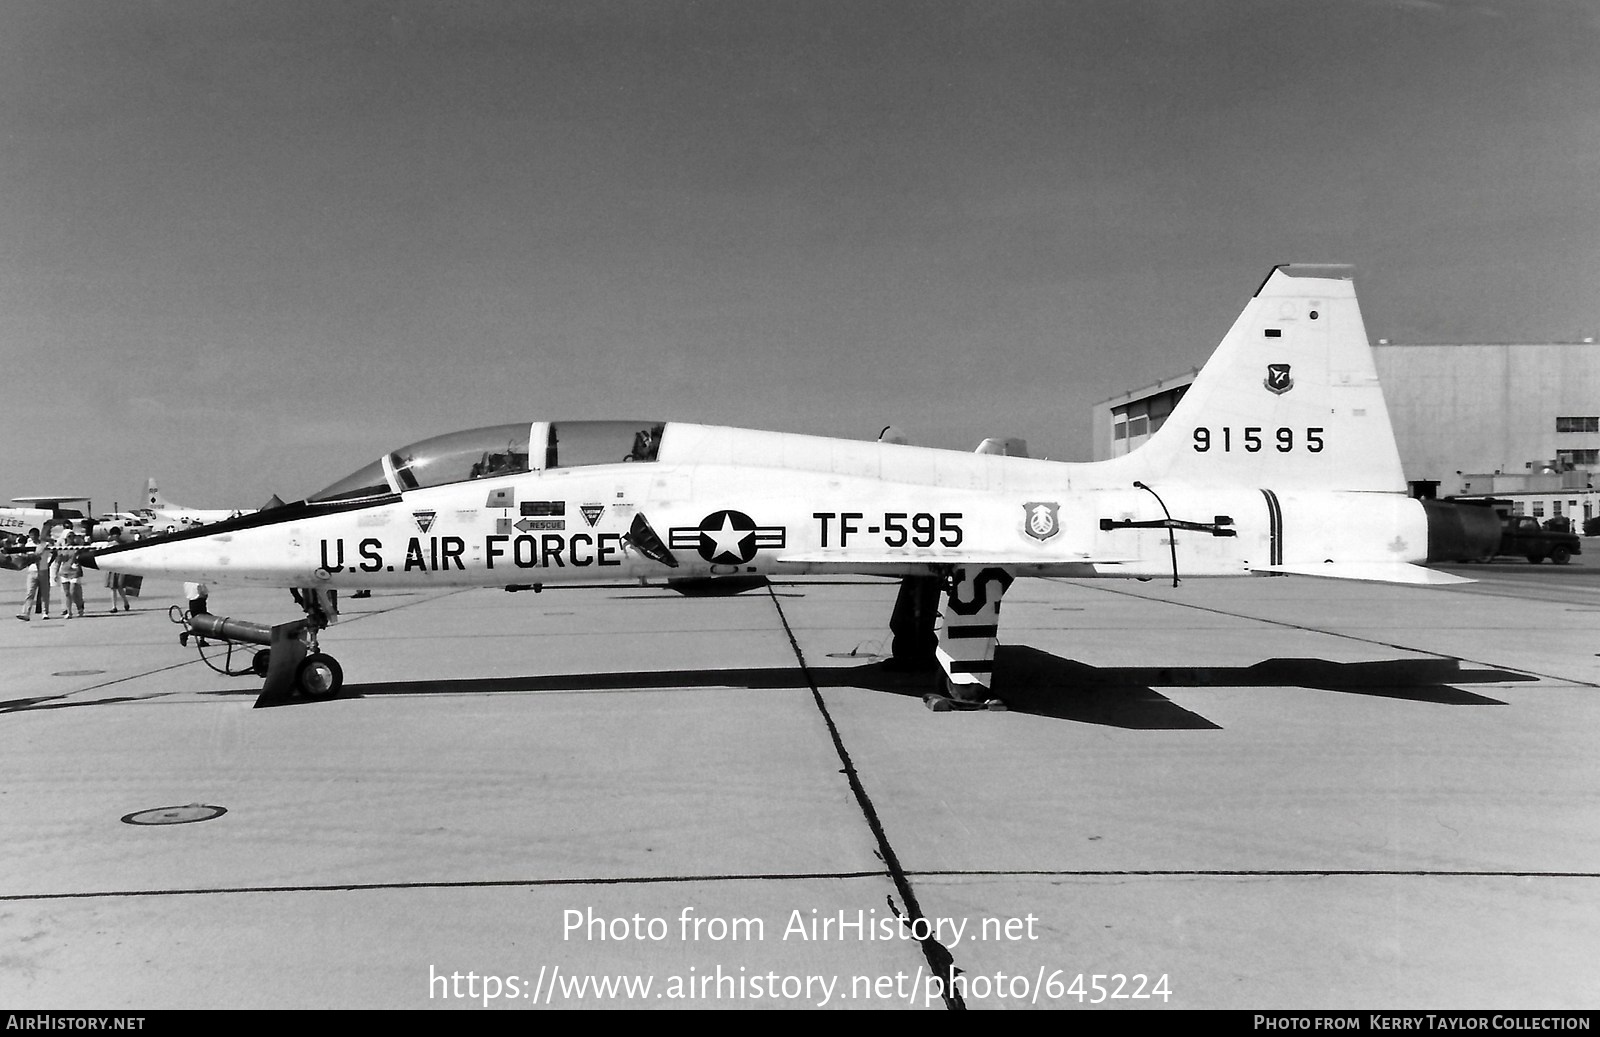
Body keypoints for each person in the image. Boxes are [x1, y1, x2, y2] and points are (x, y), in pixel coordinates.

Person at [15, 535, 54, 621]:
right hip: (32, 570)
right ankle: (26, 613)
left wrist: (49, 563)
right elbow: (22, 556)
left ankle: (45, 612)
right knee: (30, 592)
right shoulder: (28, 545)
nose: (32, 538)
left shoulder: (45, 544)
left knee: (44, 592)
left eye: (33, 536)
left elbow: (54, 552)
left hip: (43, 568)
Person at [57, 535, 86, 619]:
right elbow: (59, 560)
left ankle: (80, 607)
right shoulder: (63, 548)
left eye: (71, 537)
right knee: (67, 593)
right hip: (65, 571)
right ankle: (69, 612)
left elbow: (82, 555)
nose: (70, 539)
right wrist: (56, 572)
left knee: (73, 592)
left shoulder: (77, 547)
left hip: (75, 571)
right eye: (68, 537)